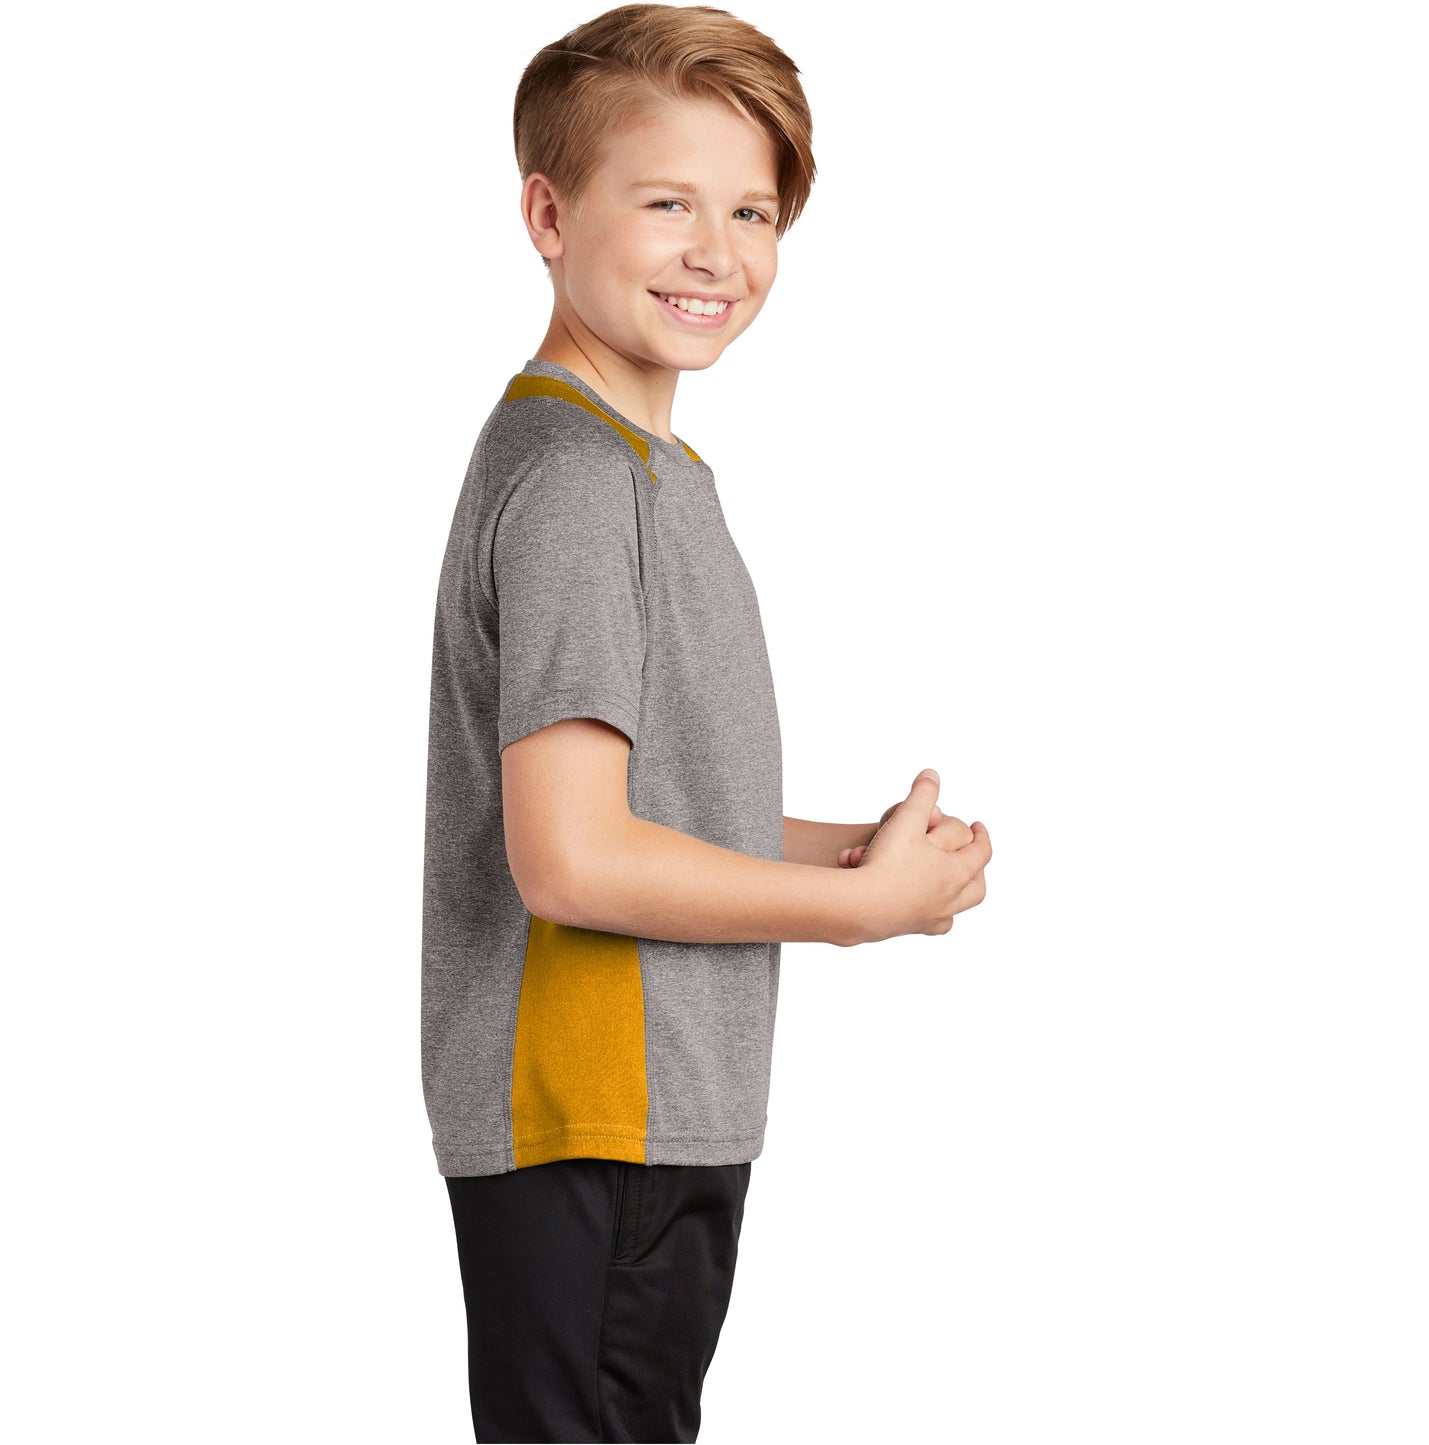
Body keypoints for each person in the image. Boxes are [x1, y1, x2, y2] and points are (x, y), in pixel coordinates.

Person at [420, 5, 992, 1440]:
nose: (716, 252)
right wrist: (852, 914)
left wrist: (852, 851)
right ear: (548, 215)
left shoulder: (646, 470)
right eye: (666, 202)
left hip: (647, 1102)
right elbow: (571, 858)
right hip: (601, 1107)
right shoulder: (576, 483)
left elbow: (646, 804)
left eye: (751, 211)